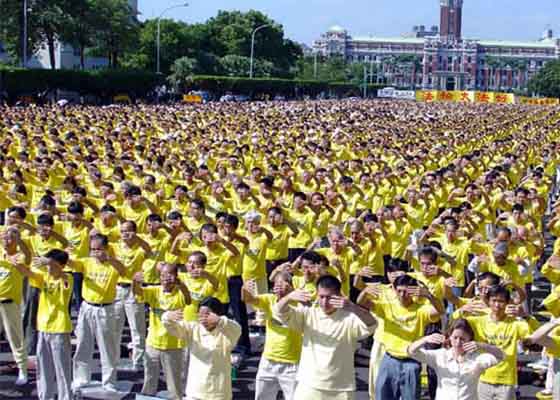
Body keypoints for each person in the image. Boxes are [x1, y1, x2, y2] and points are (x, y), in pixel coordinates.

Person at [273, 274, 377, 399]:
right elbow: (279, 312)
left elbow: (372, 324)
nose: (324, 302)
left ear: (339, 295)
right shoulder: (308, 313)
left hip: (341, 388)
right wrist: (289, 297)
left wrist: (353, 307)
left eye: (329, 297)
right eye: (321, 297)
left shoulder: (349, 317)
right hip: (309, 385)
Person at [71, 233, 127, 392]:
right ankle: (81, 378)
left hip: (105, 309)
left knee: (107, 347)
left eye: (98, 249)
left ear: (106, 248)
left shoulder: (113, 265)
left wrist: (109, 258)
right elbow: (71, 263)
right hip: (87, 307)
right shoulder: (86, 262)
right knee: (83, 344)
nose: (95, 252)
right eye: (92, 249)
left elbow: (124, 271)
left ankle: (109, 381)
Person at [162, 297, 242, 400]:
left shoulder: (226, 333)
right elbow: (172, 327)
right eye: (200, 314)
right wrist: (167, 316)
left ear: (216, 315)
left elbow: (237, 329)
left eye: (207, 315)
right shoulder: (193, 328)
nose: (203, 318)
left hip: (219, 394)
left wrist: (220, 321)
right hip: (195, 392)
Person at [133, 263, 191, 400]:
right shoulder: (155, 290)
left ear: (176, 277)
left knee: (174, 385)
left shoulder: (180, 293)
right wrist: (135, 282)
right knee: (149, 381)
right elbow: (138, 293)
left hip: (173, 345)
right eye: (163, 275)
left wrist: (181, 284)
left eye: (169, 275)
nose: (165, 278)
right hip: (152, 343)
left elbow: (188, 299)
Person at [407, 318, 504, 400]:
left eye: (462, 339)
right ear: (449, 337)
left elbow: (501, 356)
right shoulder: (440, 355)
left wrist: (481, 345)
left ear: (470, 339)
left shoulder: (477, 358)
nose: (458, 343)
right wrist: (425, 339)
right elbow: (411, 352)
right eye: (455, 338)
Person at [242, 272, 302, 400]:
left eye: (281, 283)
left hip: (292, 364)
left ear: (291, 286)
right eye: (275, 284)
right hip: (268, 361)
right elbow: (248, 299)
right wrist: (245, 289)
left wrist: (290, 295)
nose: (278, 287)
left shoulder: (299, 303)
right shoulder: (269, 299)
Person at [30, 249, 73, 400]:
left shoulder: (67, 278)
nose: (47, 267)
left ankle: (66, 397)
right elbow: (28, 273)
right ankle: (45, 396)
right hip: (42, 328)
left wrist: (49, 261)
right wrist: (15, 263)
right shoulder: (44, 277)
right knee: (43, 368)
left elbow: (63, 275)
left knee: (62, 369)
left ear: (61, 265)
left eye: (50, 264)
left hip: (60, 329)